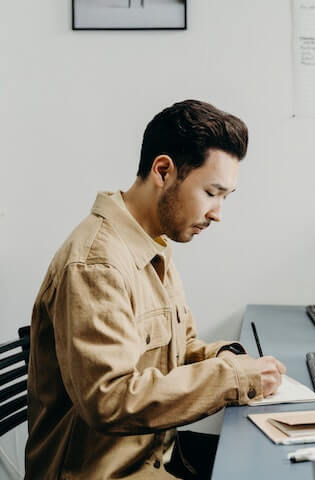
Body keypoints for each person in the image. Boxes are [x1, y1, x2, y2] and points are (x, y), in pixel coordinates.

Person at [25, 100, 286, 480]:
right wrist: (232, 379)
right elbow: (110, 400)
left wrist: (233, 359)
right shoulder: (97, 265)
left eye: (225, 197)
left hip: (157, 458)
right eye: (212, 193)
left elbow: (180, 352)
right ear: (163, 170)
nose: (218, 213)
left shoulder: (153, 243)